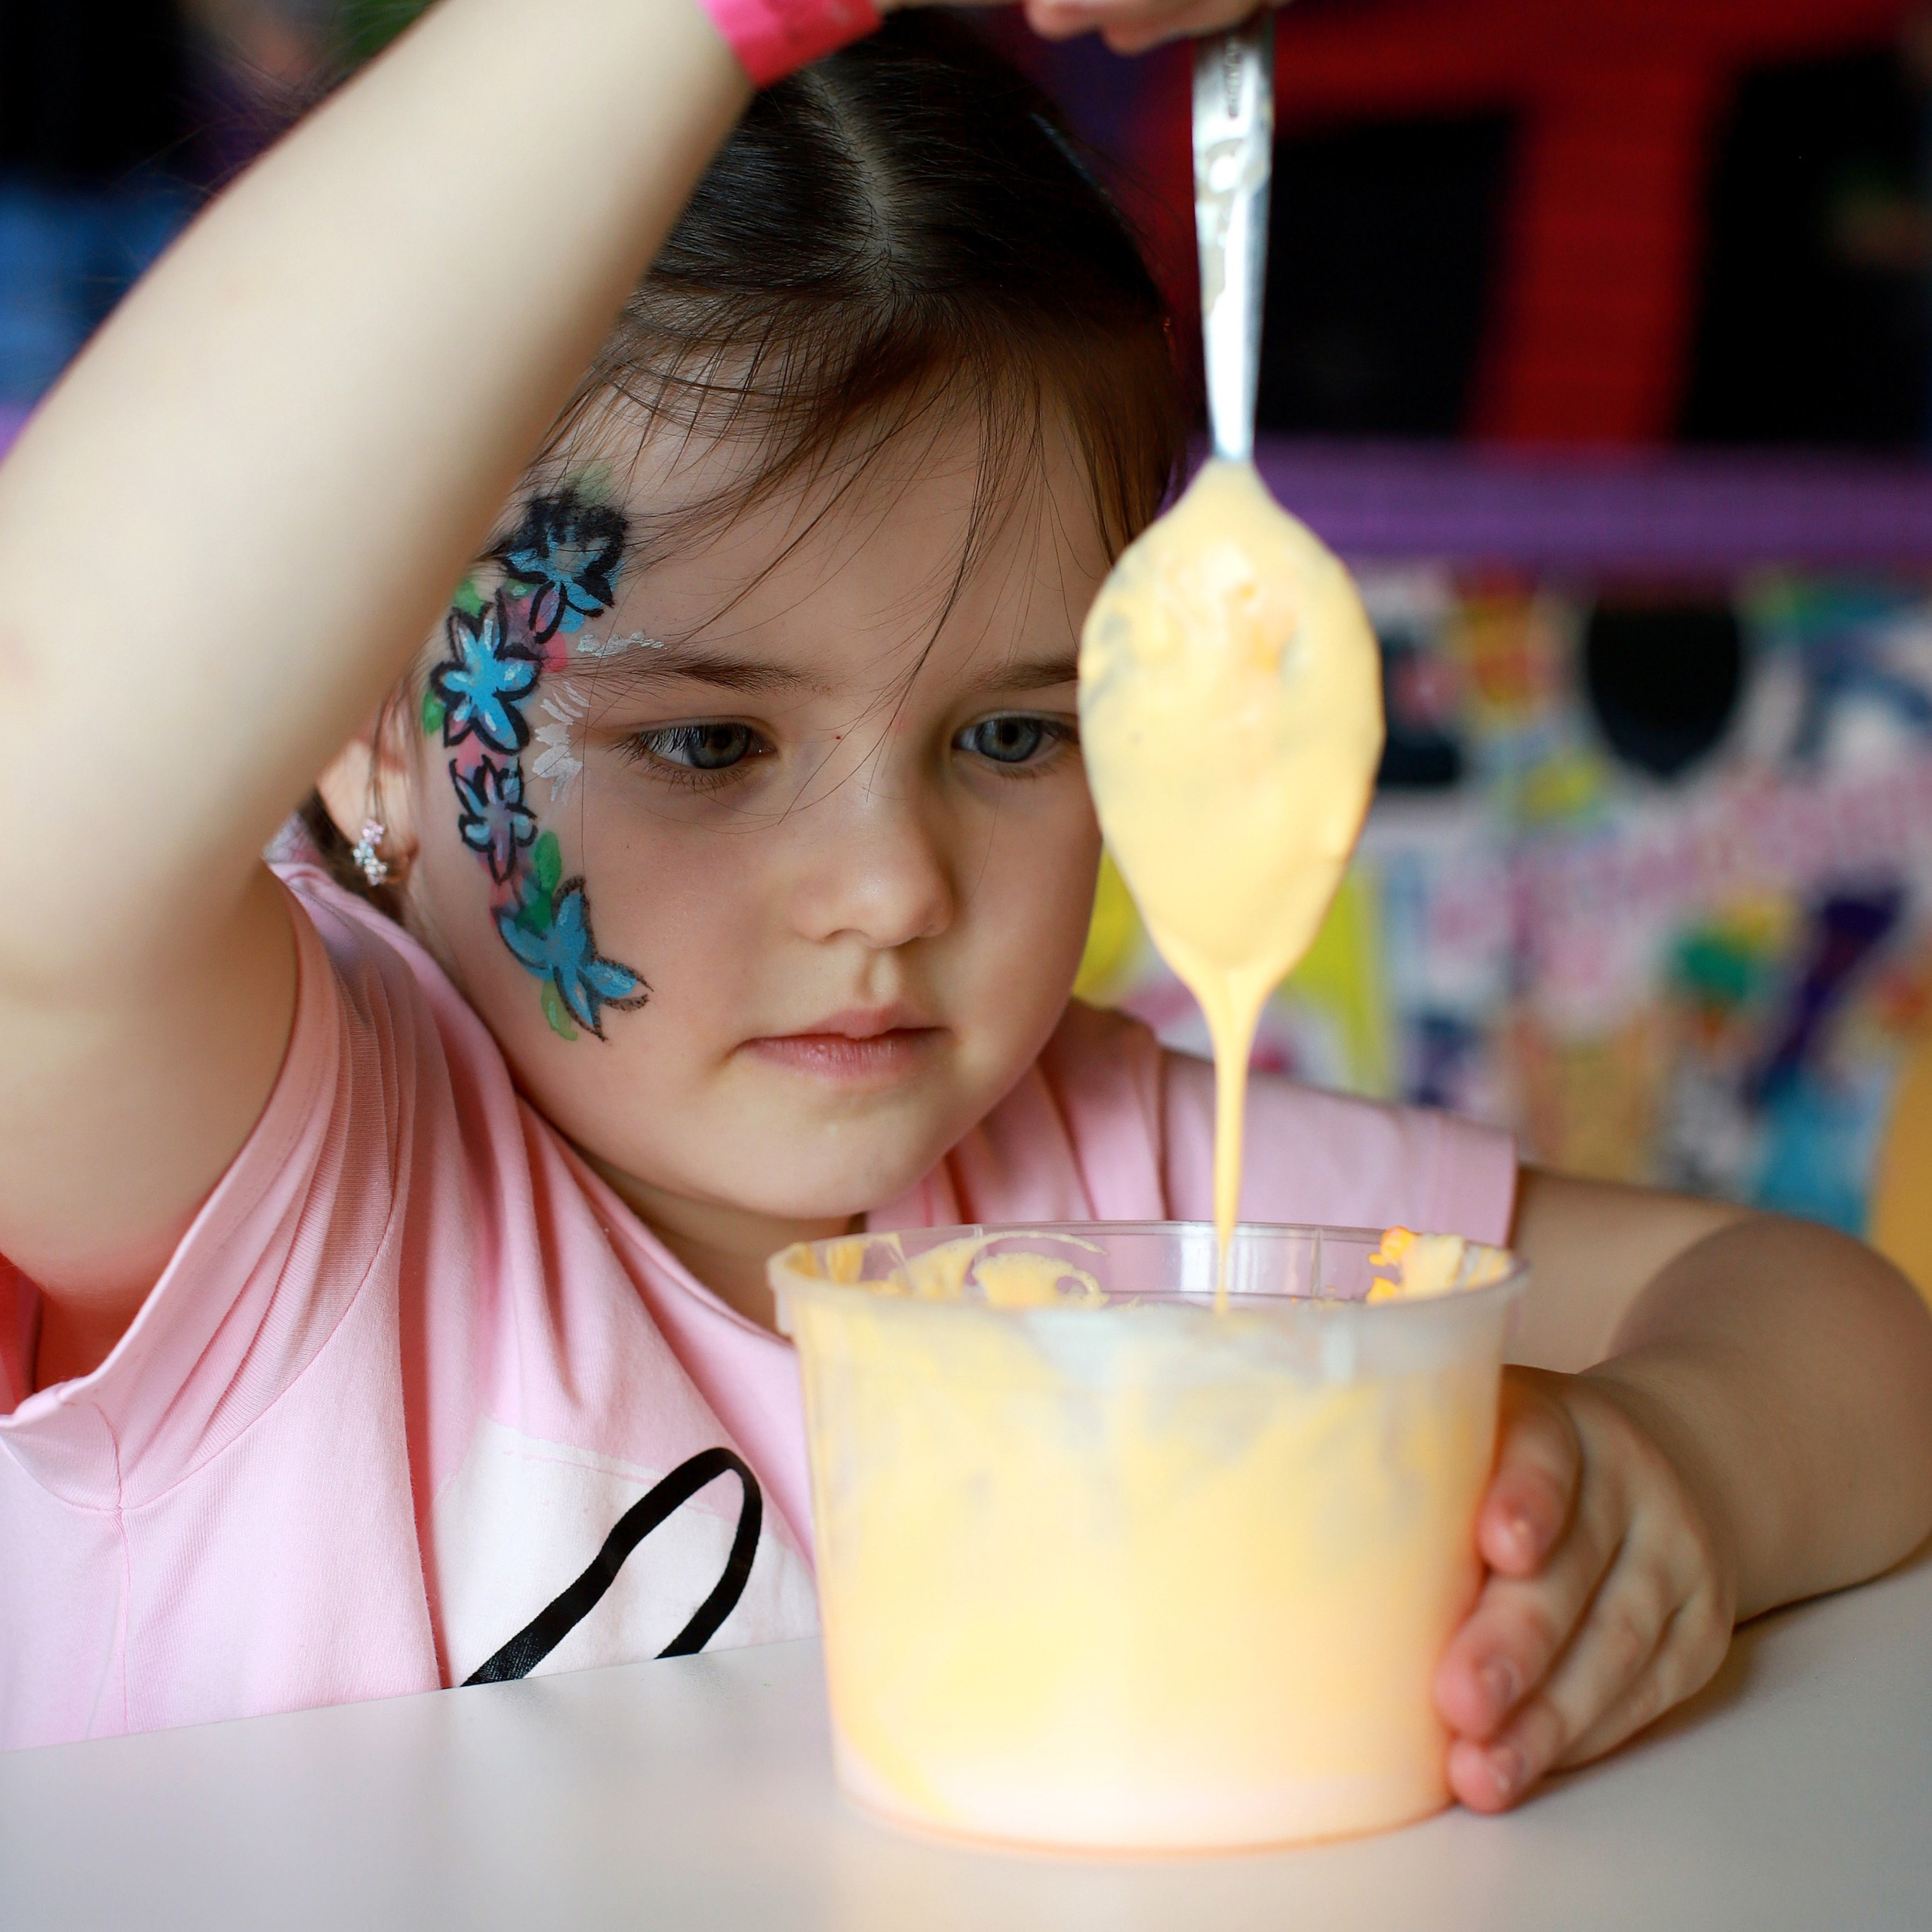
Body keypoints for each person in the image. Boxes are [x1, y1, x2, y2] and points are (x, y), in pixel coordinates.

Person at [2, 0, 1928, 1820]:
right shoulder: (287, 1168)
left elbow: (1836, 1326)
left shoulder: (1120, 1182)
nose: (890, 887)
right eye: (704, 745)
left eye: (1013, 728)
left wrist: (1681, 1470)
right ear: (368, 727)